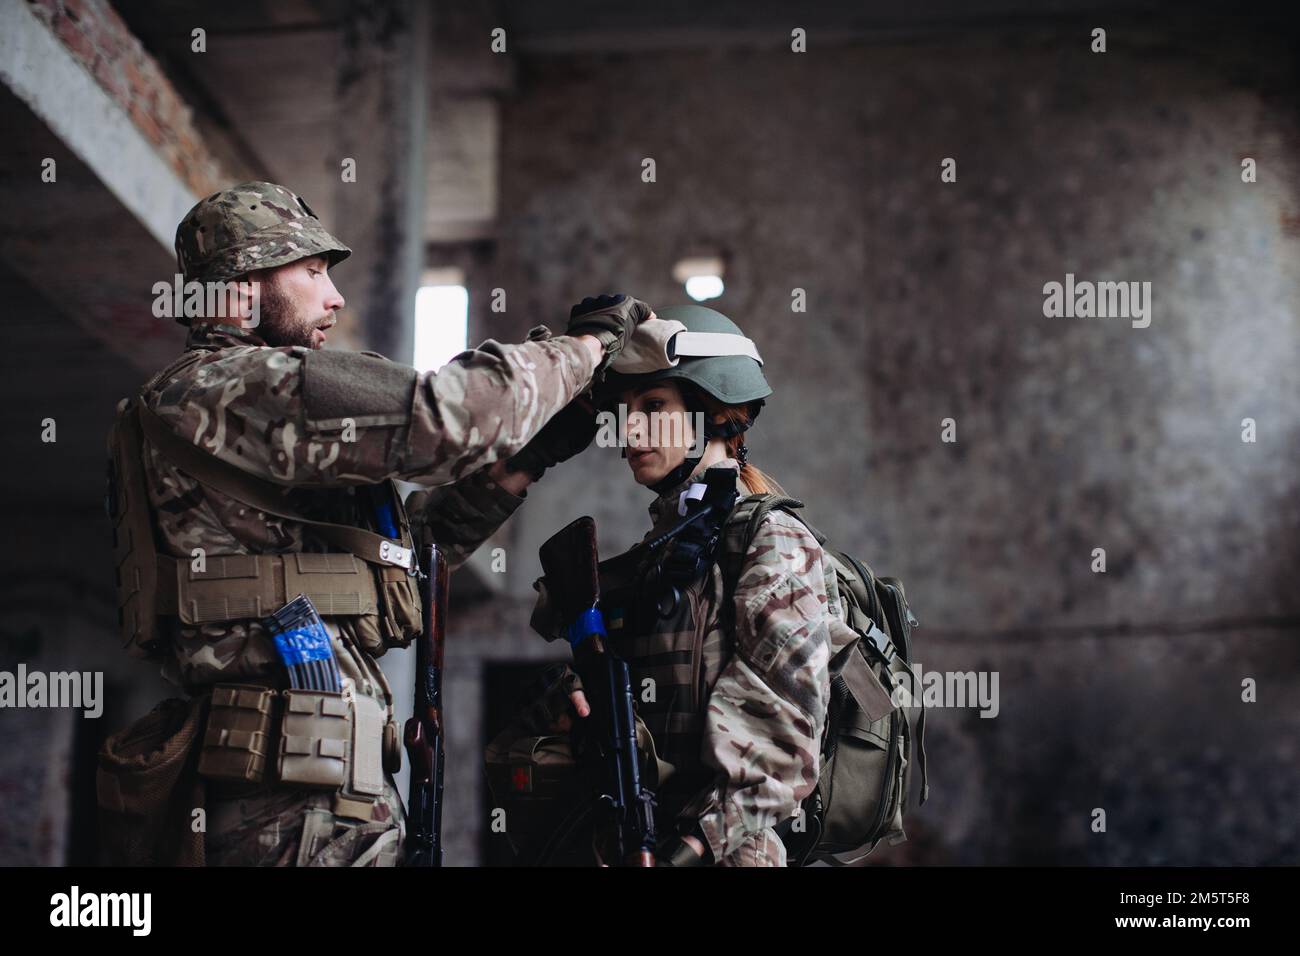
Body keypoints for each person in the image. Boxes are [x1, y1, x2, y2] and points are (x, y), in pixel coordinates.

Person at [100, 180, 655, 866]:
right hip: (287, 810)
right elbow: (448, 415)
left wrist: (526, 460)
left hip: (315, 798)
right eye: (311, 272)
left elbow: (398, 565)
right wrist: (587, 348)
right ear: (244, 284)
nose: (334, 297)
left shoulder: (240, 416)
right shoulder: (230, 387)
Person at [514, 304, 835, 866]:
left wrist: (685, 851)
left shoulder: (771, 540)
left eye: (655, 406)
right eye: (624, 411)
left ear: (710, 413)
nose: (630, 429)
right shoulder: (654, 558)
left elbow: (785, 747)